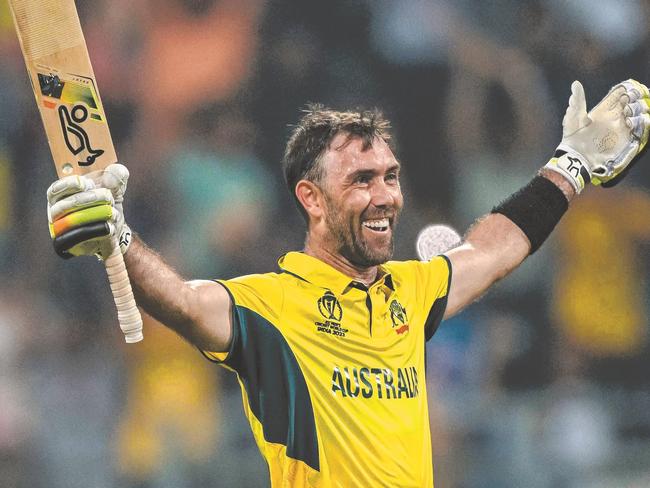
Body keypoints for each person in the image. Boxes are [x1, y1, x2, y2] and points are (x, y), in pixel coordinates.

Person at [45, 80, 649, 487]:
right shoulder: (271, 307)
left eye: (390, 175)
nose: (386, 195)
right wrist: (119, 239)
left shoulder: (409, 292)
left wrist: (570, 165)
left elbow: (492, 251)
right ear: (311, 197)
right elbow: (179, 301)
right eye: (362, 179)